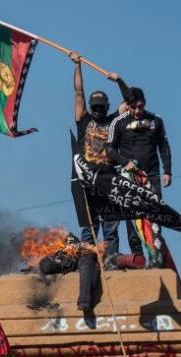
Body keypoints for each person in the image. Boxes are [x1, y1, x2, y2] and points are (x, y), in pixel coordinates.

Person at [69, 51, 130, 264]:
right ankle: (89, 265)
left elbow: (130, 102)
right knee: (89, 230)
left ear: (106, 106)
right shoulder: (83, 120)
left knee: (111, 229)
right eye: (93, 107)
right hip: (87, 181)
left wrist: (120, 81)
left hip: (110, 179)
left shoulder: (114, 120)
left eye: (99, 107)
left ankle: (111, 262)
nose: (96, 110)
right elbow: (78, 93)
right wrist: (78, 66)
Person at [107, 87, 172, 261]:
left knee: (153, 213)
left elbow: (164, 146)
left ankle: (156, 254)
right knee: (133, 217)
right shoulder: (118, 122)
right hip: (130, 176)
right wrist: (124, 162)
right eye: (133, 107)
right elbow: (109, 150)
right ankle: (138, 255)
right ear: (127, 105)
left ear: (145, 103)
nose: (137, 111)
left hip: (152, 175)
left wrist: (167, 171)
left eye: (140, 106)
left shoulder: (156, 120)